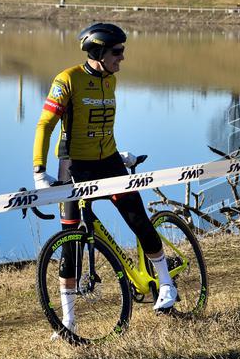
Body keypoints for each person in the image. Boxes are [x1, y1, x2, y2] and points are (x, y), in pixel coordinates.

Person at [33, 23, 178, 333]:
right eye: (117, 52)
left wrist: (118, 152)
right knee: (70, 244)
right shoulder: (67, 80)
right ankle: (69, 321)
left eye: (123, 51)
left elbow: (101, 124)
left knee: (138, 219)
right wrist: (37, 171)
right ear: (98, 52)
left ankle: (166, 284)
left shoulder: (110, 80)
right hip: (74, 167)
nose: (122, 58)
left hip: (109, 162)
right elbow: (45, 125)